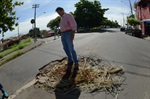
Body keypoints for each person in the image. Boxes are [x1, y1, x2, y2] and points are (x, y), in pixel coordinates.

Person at [56, 7, 78, 79]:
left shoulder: (68, 15)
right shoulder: (62, 18)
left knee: (71, 48)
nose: (59, 13)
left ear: (62, 10)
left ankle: (76, 62)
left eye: (59, 12)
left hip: (69, 33)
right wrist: (60, 30)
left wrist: (73, 33)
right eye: (58, 13)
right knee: (65, 48)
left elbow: (73, 24)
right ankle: (70, 60)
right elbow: (63, 26)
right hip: (63, 34)